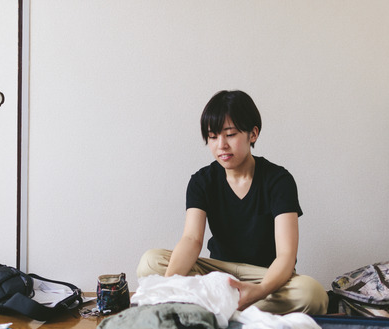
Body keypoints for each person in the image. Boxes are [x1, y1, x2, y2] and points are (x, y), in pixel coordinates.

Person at [137, 90, 328, 315]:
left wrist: (260, 289)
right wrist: (168, 287)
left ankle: (219, 304)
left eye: (230, 134)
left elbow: (286, 254)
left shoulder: (279, 180)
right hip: (218, 274)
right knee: (150, 263)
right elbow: (191, 239)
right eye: (213, 136)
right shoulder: (202, 181)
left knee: (312, 294)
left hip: (263, 275)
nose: (221, 145)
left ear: (253, 134)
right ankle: (228, 303)